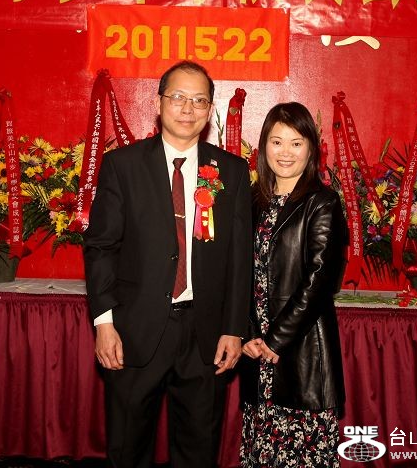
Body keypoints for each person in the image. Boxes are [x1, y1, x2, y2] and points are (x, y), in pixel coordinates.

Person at [83, 60, 253, 468]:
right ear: (159, 103)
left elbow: (239, 258)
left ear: (210, 110)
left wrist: (233, 328)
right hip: (134, 331)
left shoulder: (230, 171)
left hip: (205, 335)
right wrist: (104, 323)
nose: (187, 108)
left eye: (199, 100)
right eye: (178, 97)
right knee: (128, 449)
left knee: (198, 450)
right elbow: (101, 247)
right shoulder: (123, 165)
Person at [239, 101, 347, 468]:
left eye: (296, 143)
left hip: (301, 354)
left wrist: (276, 340)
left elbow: (319, 280)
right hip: (256, 353)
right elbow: (238, 273)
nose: (285, 152)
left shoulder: (323, 203)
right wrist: (247, 334)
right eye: (277, 142)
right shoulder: (252, 201)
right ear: (264, 147)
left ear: (311, 149)